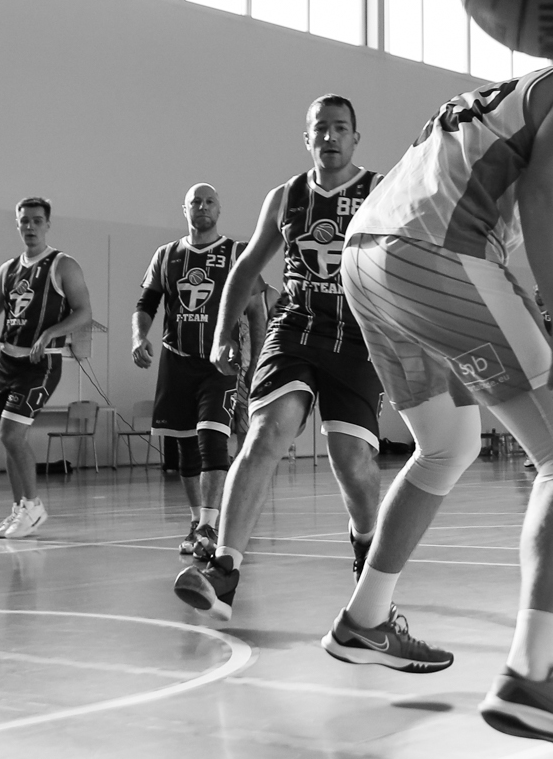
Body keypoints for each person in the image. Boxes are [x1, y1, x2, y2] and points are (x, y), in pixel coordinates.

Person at [315, 0, 553, 759]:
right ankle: (531, 671)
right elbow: (542, 194)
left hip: (368, 259)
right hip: (435, 255)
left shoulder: (517, 91)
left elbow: (493, 192)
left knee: (447, 444)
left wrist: (524, 301)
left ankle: (365, 617)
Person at [173, 96, 384, 620]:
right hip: (294, 328)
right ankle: (224, 569)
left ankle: (366, 543)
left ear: (356, 138)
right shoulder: (286, 197)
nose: (330, 137)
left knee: (350, 460)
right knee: (267, 433)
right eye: (321, 130)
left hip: (357, 335)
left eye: (341, 129)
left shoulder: (379, 193)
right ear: (306, 138)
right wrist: (224, 332)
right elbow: (245, 270)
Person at [133, 184, 266, 555]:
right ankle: (198, 522)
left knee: (212, 438)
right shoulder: (167, 255)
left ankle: (210, 525)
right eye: (196, 201)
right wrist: (138, 337)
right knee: (185, 446)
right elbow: (146, 302)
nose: (202, 207)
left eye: (209, 201)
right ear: (185, 209)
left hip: (219, 363)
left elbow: (257, 311)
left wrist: (255, 362)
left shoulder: (237, 253)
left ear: (219, 211)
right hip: (175, 360)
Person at [0, 200, 93, 539]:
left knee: (10, 434)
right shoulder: (8, 270)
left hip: (41, 362)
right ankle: (21, 509)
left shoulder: (64, 265)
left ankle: (33, 505)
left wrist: (50, 332)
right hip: (8, 361)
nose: (29, 227)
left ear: (47, 224)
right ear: (17, 225)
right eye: (24, 222)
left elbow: (84, 312)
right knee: (9, 440)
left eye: (36, 221)